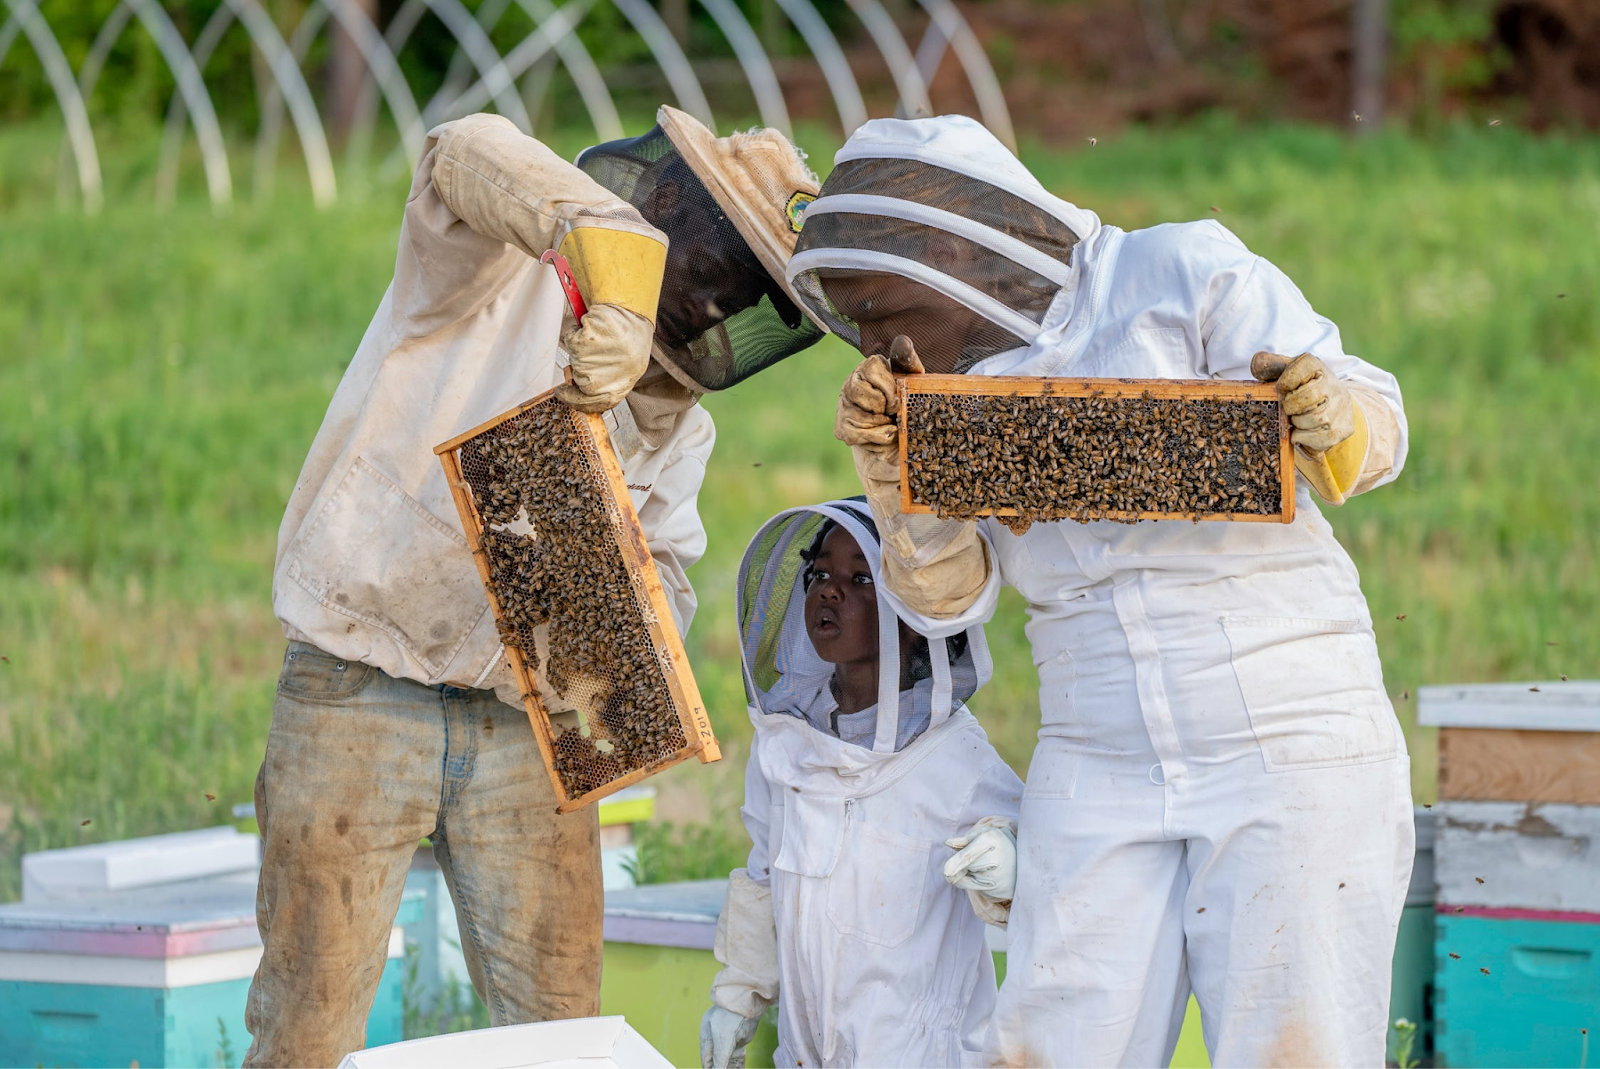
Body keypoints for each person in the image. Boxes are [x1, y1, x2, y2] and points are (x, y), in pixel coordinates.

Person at [785, 116, 1415, 1069]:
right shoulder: (945, 396)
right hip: (1095, 745)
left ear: (951, 253)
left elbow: (1380, 424)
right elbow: (951, 603)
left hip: (1284, 716)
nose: (872, 342)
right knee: (1055, 1044)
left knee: (1299, 1046)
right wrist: (895, 481)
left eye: (877, 308)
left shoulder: (1175, 272)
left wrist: (1332, 416)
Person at [246, 107, 826, 1067]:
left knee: (565, 1036)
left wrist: (617, 617)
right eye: (720, 269)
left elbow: (664, 594)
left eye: (744, 293)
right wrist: (616, 268)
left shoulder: (681, 430)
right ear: (668, 202)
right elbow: (460, 147)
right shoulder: (488, 274)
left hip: (528, 736)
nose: (719, 303)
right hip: (359, 685)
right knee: (307, 1031)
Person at [699, 499, 1023, 1069]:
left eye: (861, 579)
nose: (829, 591)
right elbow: (763, 873)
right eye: (820, 574)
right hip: (805, 1054)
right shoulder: (787, 742)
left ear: (914, 613)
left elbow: (1049, 879)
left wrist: (1010, 868)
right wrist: (737, 997)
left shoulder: (955, 759)